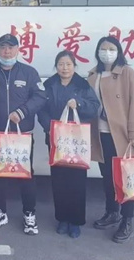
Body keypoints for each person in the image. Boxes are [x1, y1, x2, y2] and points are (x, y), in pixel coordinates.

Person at [88, 36, 134, 244]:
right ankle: (112, 212)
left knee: (126, 178)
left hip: (122, 135)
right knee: (107, 177)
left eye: (111, 49)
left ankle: (127, 220)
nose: (106, 52)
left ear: (118, 52)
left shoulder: (127, 73)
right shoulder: (93, 74)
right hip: (100, 133)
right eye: (103, 48)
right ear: (97, 52)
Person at [0, 34, 46, 235]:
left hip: (22, 136)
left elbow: (40, 97)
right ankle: (0, 211)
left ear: (18, 50)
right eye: (3, 47)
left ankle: (29, 213)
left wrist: (22, 112)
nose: (7, 51)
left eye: (11, 47)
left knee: (25, 175)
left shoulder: (29, 72)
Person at [37, 50, 100, 239]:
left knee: (77, 182)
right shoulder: (49, 85)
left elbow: (94, 107)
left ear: (74, 66)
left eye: (68, 64)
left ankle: (76, 221)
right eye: (61, 64)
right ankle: (62, 219)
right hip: (56, 139)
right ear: (56, 66)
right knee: (59, 180)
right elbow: (41, 110)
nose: (64, 68)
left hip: (76, 142)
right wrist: (49, 127)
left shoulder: (82, 85)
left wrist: (78, 103)